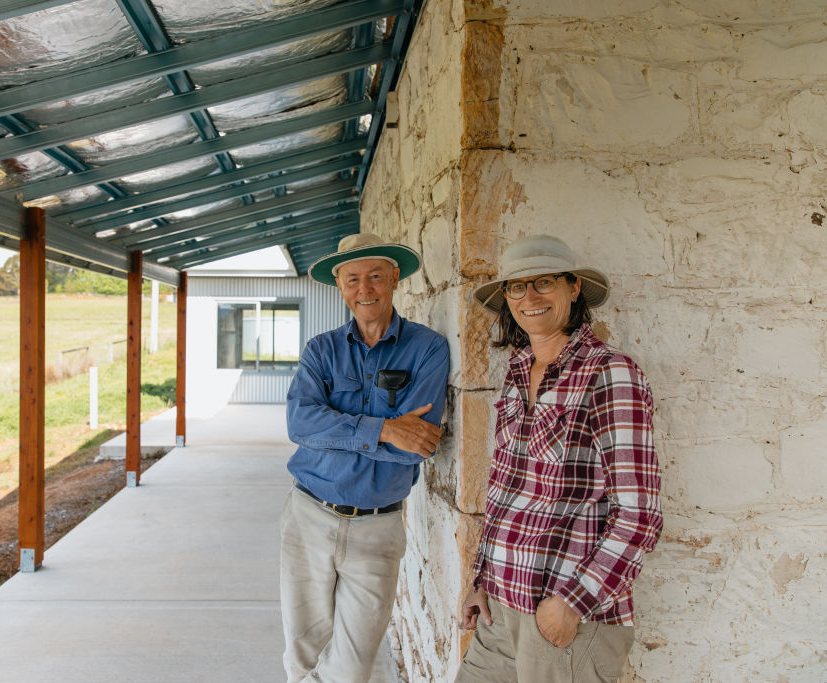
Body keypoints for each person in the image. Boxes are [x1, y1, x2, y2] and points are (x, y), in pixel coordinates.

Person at [456, 234, 663, 683]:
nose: (529, 297)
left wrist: (571, 603)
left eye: (544, 282)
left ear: (573, 289)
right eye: (516, 287)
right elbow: (506, 489)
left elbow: (640, 514)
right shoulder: (515, 371)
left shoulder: (610, 373)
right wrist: (480, 578)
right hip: (499, 606)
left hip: (564, 618)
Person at [281, 233, 450, 683]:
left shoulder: (428, 349)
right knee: (302, 654)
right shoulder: (321, 351)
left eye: (376, 276)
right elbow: (300, 425)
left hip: (378, 527)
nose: (365, 288)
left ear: (394, 279)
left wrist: (339, 429)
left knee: (352, 666)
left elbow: (414, 447)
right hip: (308, 516)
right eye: (353, 278)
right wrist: (386, 426)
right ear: (340, 286)